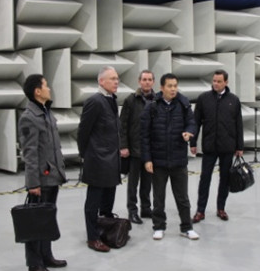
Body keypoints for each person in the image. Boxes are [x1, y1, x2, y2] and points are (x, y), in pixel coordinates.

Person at [18, 74, 68, 271]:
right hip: (41, 180)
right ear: (37, 91)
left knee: (47, 220)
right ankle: (34, 264)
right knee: (36, 222)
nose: (49, 88)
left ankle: (46, 256)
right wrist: (33, 183)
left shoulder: (46, 112)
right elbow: (29, 154)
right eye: (46, 85)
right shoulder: (29, 117)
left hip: (52, 177)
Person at [141, 73, 199, 241]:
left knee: (183, 198)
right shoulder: (152, 106)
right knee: (158, 198)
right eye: (170, 86)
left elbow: (192, 122)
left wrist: (189, 132)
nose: (173, 89)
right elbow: (144, 136)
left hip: (178, 160)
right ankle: (159, 226)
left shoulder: (184, 104)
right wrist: (147, 159)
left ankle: (186, 227)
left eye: (175, 86)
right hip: (158, 161)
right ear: (162, 88)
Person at [77, 66, 122, 253]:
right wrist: (86, 154)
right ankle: (92, 237)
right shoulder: (94, 101)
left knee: (108, 200)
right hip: (97, 160)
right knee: (93, 201)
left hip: (111, 159)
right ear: (101, 81)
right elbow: (83, 132)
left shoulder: (112, 99)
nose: (116, 81)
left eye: (117, 78)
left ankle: (106, 231)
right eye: (112, 78)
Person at [190, 70, 244, 223]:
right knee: (204, 179)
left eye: (219, 81)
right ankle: (200, 210)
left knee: (224, 179)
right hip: (209, 147)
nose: (216, 84)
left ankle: (221, 208)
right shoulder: (203, 98)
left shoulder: (234, 100)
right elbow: (196, 122)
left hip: (227, 147)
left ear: (226, 82)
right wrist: (193, 142)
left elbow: (238, 124)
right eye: (214, 81)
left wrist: (239, 146)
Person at [120, 70, 155, 225]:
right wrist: (123, 146)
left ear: (153, 82)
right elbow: (122, 125)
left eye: (149, 79)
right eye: (144, 79)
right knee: (133, 184)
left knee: (147, 183)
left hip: (150, 150)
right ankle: (132, 211)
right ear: (139, 81)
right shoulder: (130, 100)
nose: (147, 82)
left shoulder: (157, 100)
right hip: (134, 149)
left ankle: (146, 209)